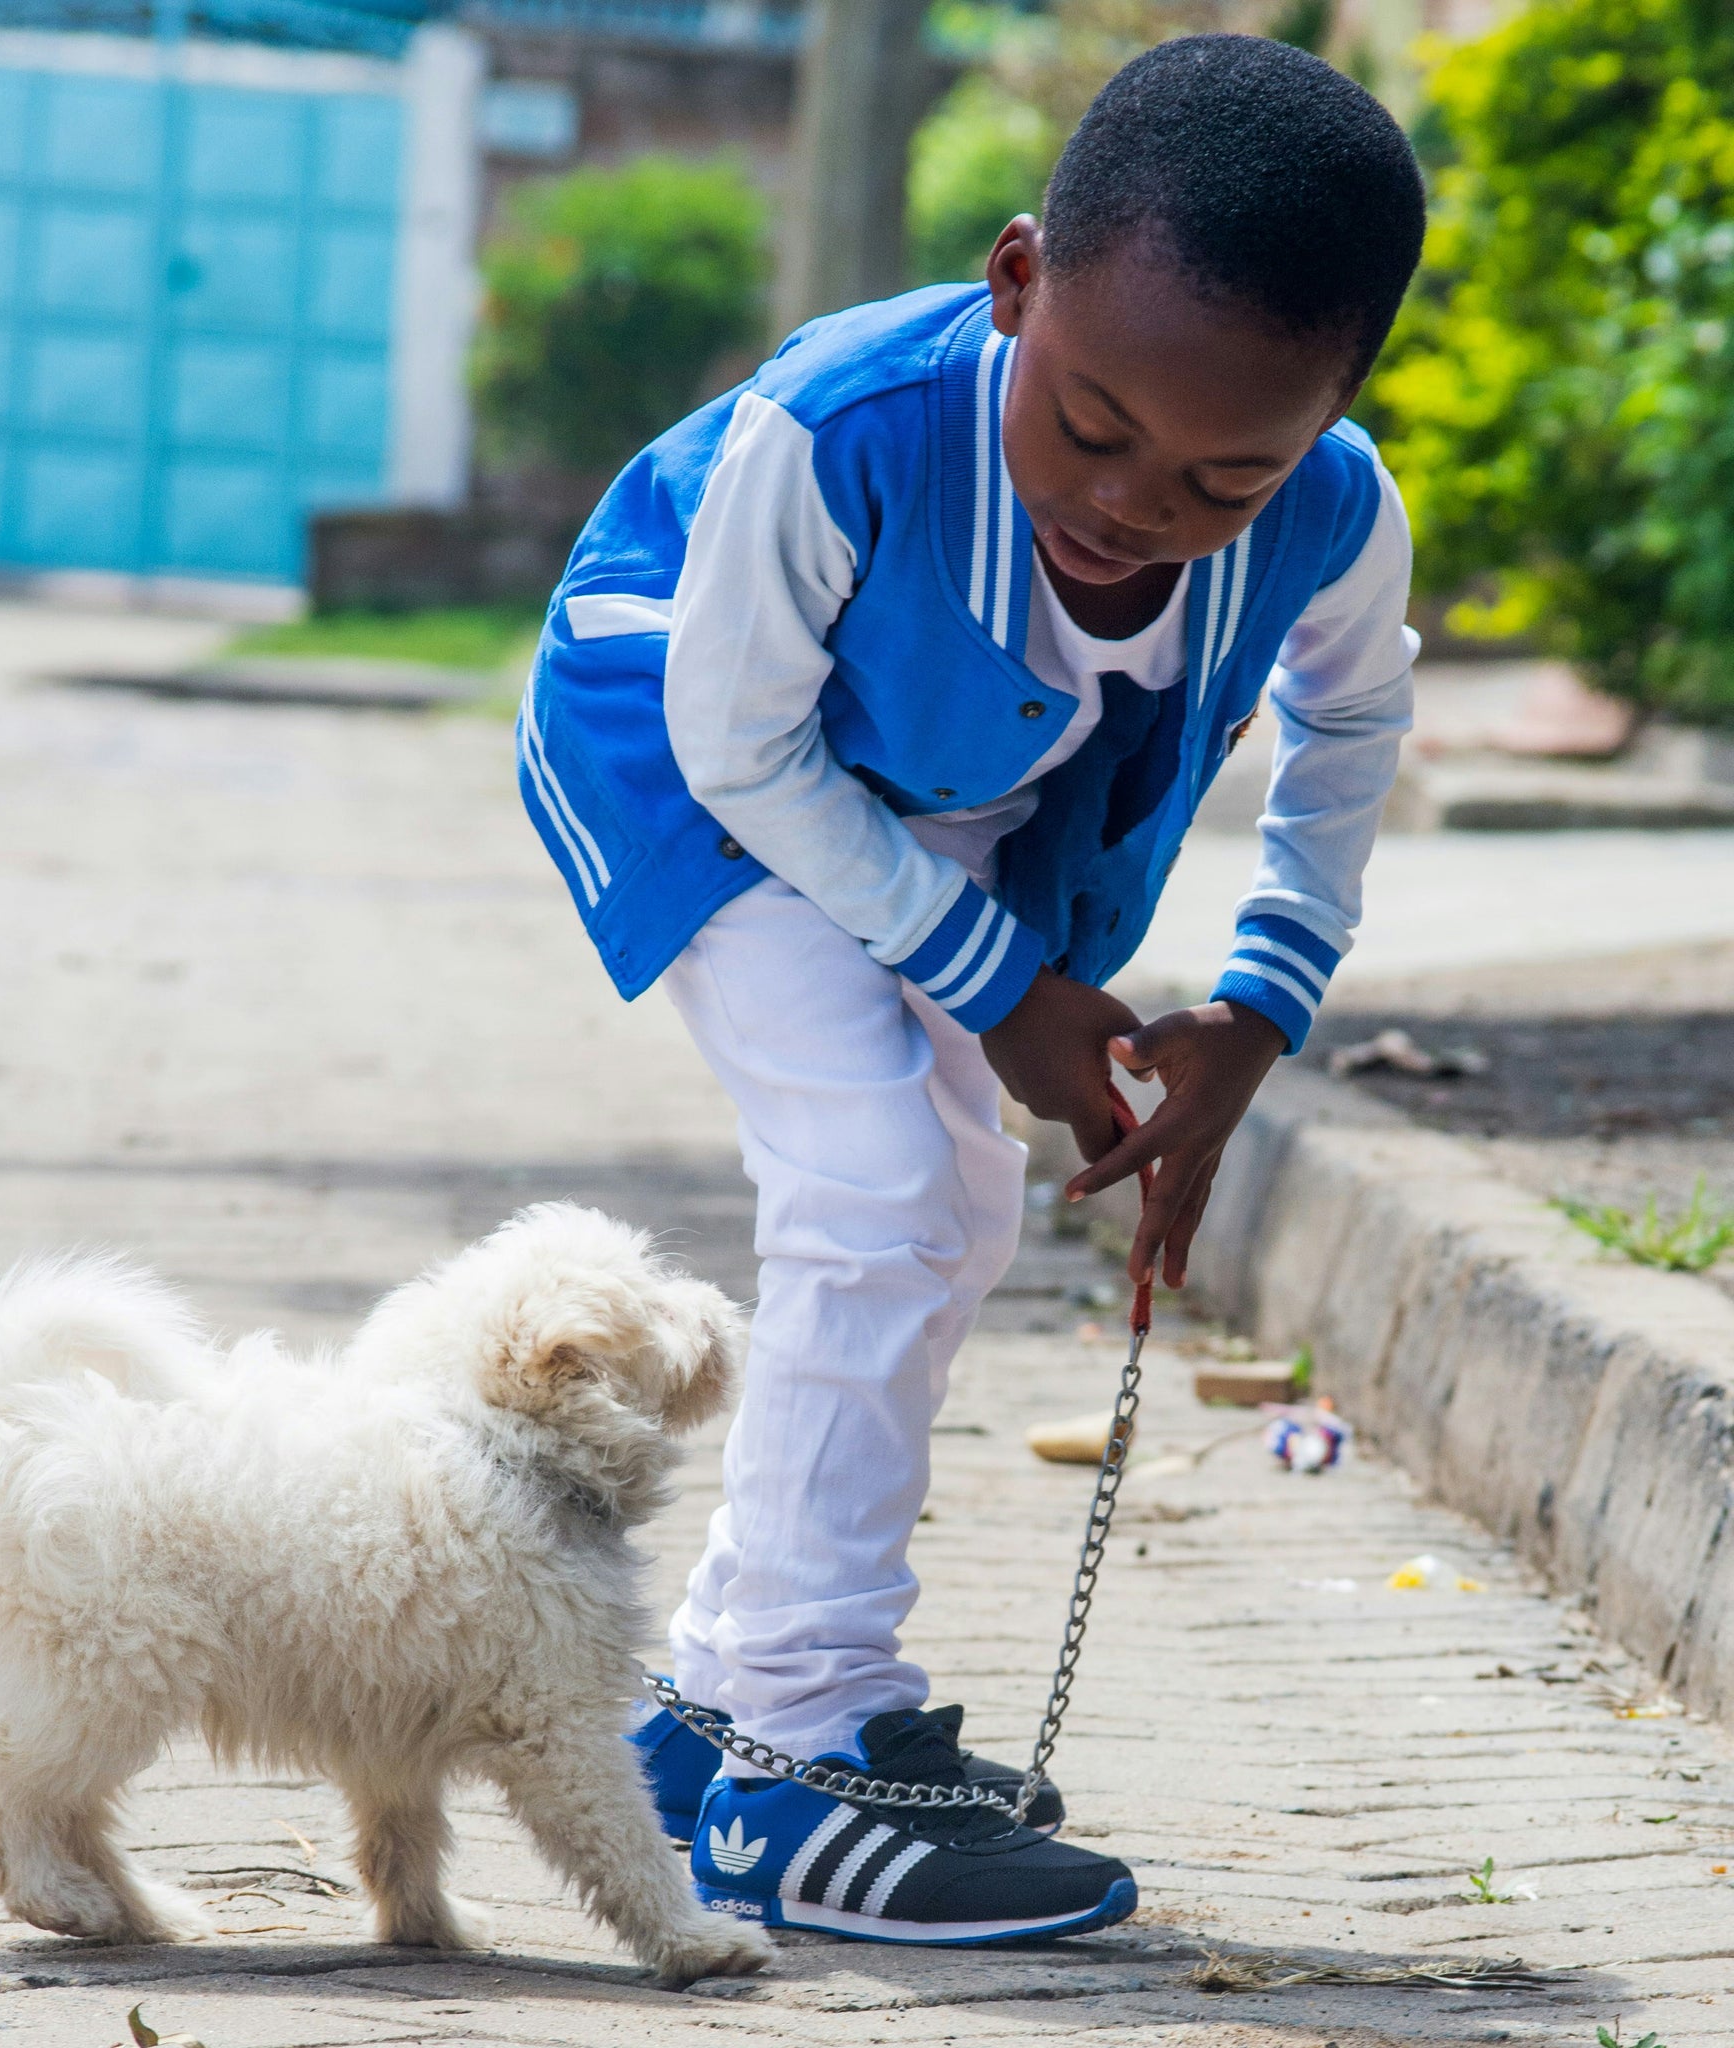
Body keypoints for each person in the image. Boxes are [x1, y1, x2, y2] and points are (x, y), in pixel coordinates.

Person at [517, 33, 1426, 1946]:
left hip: (929, 793)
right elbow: (743, 746)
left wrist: (1258, 1011)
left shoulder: (1336, 511)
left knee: (956, 1207)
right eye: (1090, 424)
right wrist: (1003, 986)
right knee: (877, 1178)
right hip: (687, 744)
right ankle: (797, 1754)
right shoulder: (843, 431)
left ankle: (709, 1716)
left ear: (1329, 415)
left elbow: (1351, 726)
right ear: (1018, 281)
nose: (1136, 503)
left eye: (1223, 474)